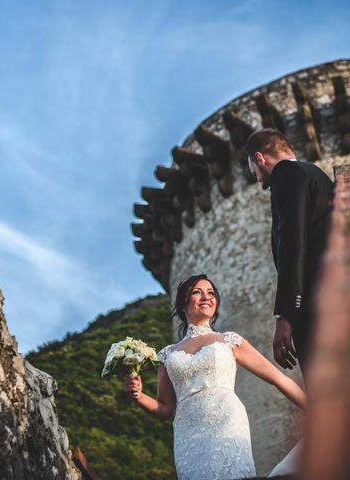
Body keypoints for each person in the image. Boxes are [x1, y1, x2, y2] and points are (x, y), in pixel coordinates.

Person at [124, 274, 307, 480]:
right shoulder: (166, 354)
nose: (206, 297)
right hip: (187, 432)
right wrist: (138, 395)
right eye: (197, 292)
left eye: (211, 293)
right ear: (183, 302)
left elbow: (277, 378)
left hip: (226, 421)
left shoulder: (229, 341)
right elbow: (165, 409)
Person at [245, 129, 334, 372]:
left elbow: (292, 242)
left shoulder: (285, 174)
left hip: (314, 304)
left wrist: (285, 315)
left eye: (254, 172)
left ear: (260, 158)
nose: (259, 181)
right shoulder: (316, 174)